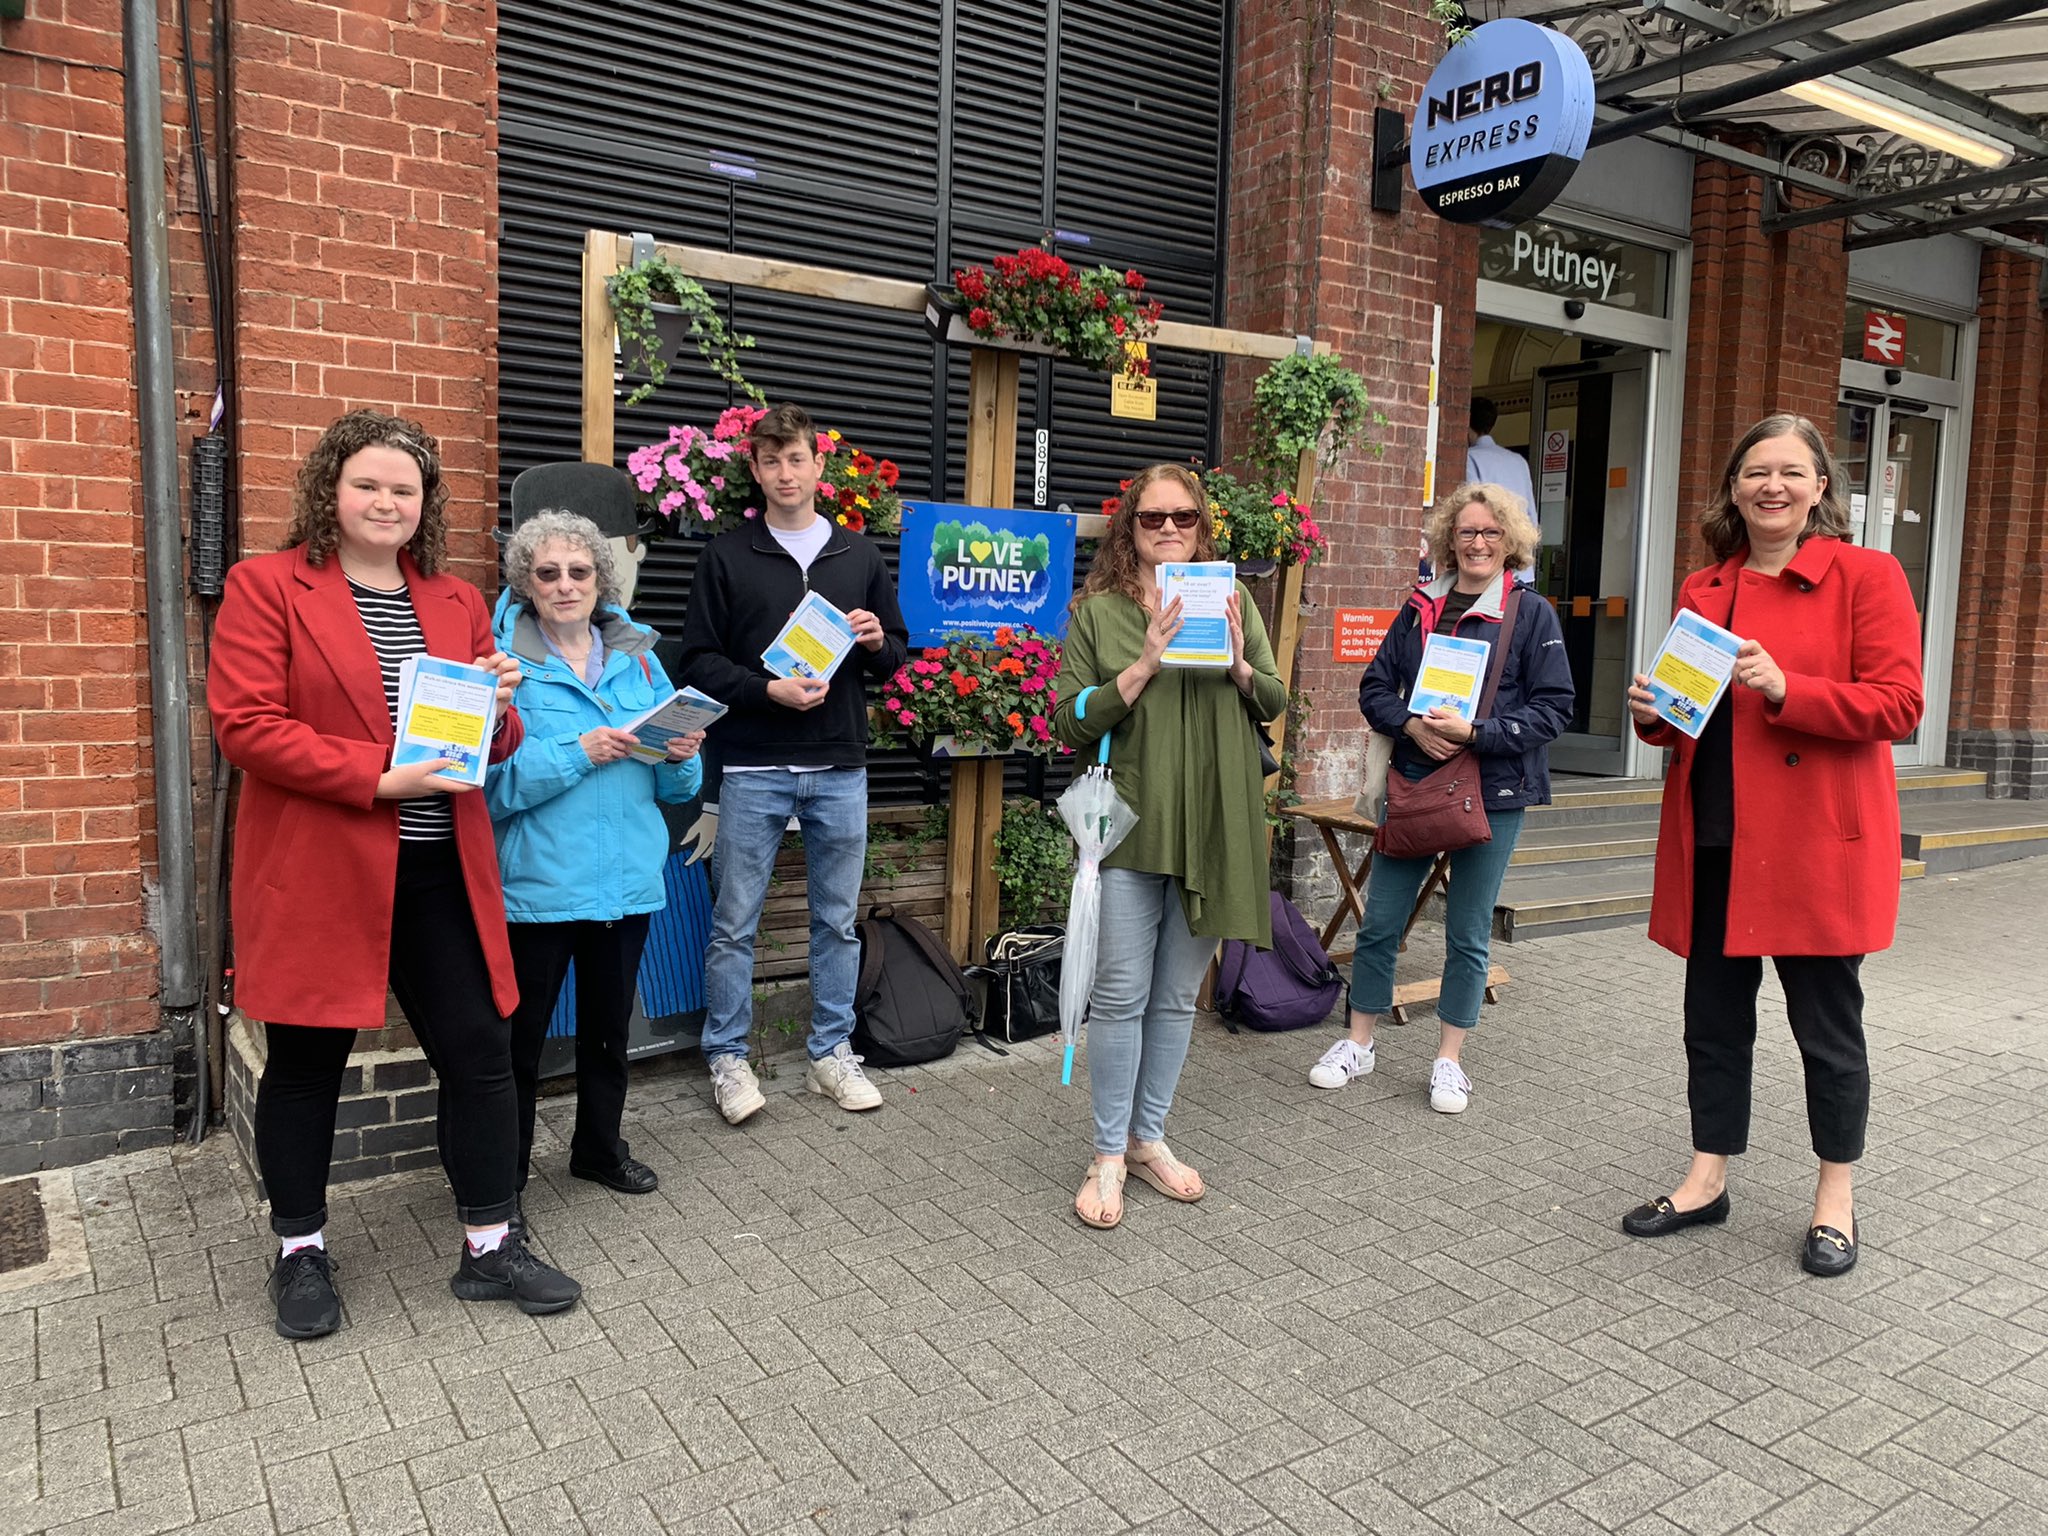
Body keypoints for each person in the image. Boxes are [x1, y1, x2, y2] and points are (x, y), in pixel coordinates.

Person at [209, 409, 582, 1339]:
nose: (385, 501)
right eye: (368, 483)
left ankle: (489, 1245)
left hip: (440, 869)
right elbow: (246, 727)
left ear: (426, 505)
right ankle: (299, 1253)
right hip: (324, 867)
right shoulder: (267, 587)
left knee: (482, 1058)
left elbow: (483, 746)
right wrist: (377, 779)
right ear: (330, 489)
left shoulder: (456, 602)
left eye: (404, 489)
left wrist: (500, 705)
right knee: (305, 1068)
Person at [1620, 414, 1923, 1277]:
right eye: (1756, 471)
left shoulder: (1867, 575)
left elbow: (1900, 705)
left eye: (1792, 471)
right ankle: (1707, 1177)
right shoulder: (1703, 589)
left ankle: (1836, 1199)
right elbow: (1688, 724)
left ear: (1821, 487)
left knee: (1828, 1032)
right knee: (1712, 1024)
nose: (1773, 486)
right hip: (1716, 837)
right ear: (1734, 487)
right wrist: (1653, 717)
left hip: (1811, 847)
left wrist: (1793, 689)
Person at [1053, 464, 1286, 1229]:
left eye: (1182, 517)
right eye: (1152, 519)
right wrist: (1146, 665)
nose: (1168, 530)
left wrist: (1240, 665)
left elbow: (1275, 699)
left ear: (1201, 524)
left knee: (1178, 996)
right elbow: (1069, 720)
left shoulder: (1234, 599)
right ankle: (1108, 1154)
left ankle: (1148, 1137)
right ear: (1130, 528)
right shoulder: (1100, 612)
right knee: (1120, 995)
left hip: (1214, 818)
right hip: (1132, 817)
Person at [676, 402, 909, 1124]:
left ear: (818, 466)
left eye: (796, 458)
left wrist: (874, 643)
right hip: (752, 765)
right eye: (771, 460)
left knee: (835, 922)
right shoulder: (726, 556)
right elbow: (698, 662)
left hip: (839, 764)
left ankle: (830, 1055)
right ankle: (727, 1058)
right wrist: (767, 690)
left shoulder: (859, 556)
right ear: (754, 469)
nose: (785, 472)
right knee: (734, 922)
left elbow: (898, 658)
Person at [1307, 483, 1573, 1114]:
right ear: (1449, 539)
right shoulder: (1420, 606)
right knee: (1380, 924)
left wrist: (1478, 734)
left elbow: (1555, 709)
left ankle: (1448, 1059)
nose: (1478, 543)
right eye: (1466, 532)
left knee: (1468, 931)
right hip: (1418, 783)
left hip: (1493, 790)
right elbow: (1375, 687)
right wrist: (1411, 725)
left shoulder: (1531, 614)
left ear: (1509, 543)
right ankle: (1358, 1042)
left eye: (1491, 533)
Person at [486, 511, 705, 1219]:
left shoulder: (641, 659)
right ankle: (504, 1178)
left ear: (600, 580)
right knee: (520, 1045)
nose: (564, 584)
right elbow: (489, 788)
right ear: (525, 581)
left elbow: (675, 790)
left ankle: (599, 1148)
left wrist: (683, 758)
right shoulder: (502, 667)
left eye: (578, 571)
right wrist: (581, 751)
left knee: (611, 1030)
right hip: (539, 886)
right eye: (546, 572)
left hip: (626, 882)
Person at [1465, 397, 1536, 518]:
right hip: (1518, 535)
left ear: (1466, 421)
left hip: (1488, 533)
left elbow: (1470, 509)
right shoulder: (1519, 461)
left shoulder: (1469, 458)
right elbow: (1531, 517)